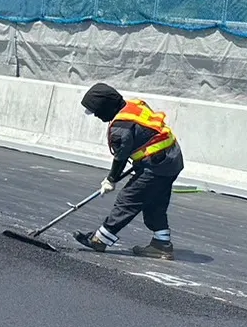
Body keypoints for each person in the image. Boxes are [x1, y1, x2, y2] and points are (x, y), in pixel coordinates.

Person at [74, 82, 183, 259]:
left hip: (156, 165)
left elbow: (120, 158)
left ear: (106, 108)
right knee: (154, 204)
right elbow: (144, 134)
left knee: (128, 200)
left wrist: (110, 180)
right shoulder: (134, 105)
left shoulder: (121, 127)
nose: (96, 116)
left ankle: (100, 239)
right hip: (171, 160)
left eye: (97, 111)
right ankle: (162, 245)